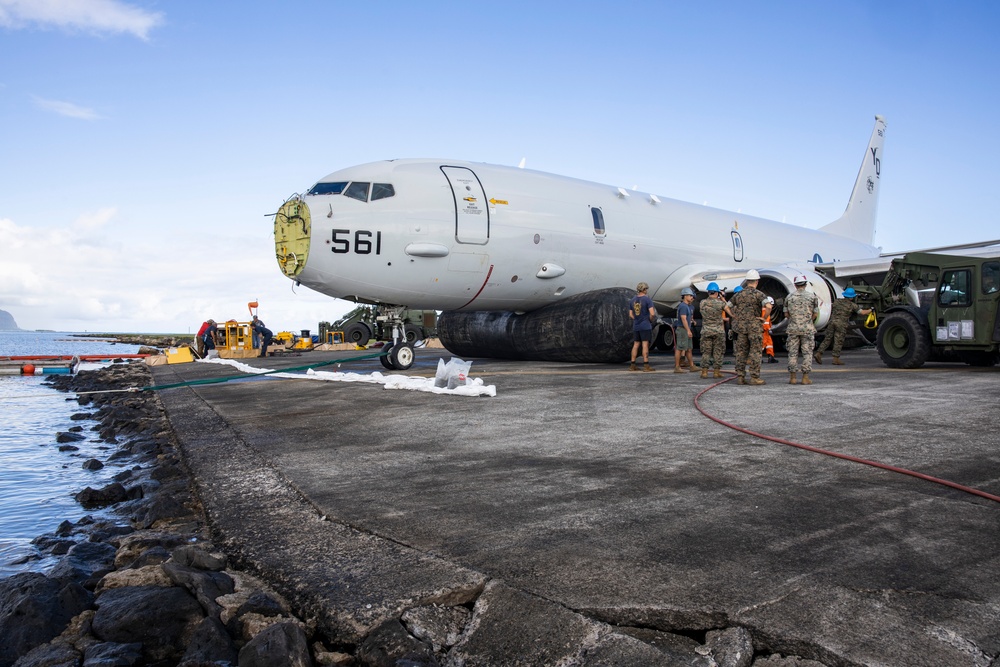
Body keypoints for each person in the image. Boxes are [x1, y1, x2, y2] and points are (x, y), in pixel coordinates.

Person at [725, 270, 768, 385]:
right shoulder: (759, 294)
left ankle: (740, 377)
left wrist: (733, 315)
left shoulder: (738, 294)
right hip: (754, 327)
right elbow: (768, 306)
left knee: (741, 352)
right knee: (755, 352)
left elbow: (726, 307)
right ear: (757, 281)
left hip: (741, 328)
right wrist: (764, 318)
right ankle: (754, 377)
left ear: (747, 281)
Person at [814, 287, 872, 365]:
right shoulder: (852, 305)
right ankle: (835, 359)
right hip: (841, 324)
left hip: (832, 322)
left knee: (827, 339)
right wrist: (871, 310)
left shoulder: (837, 301)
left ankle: (819, 353)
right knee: (838, 340)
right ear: (852, 297)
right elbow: (863, 313)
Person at [784, 276, 820, 385]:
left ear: (795, 285)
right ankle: (805, 378)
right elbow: (815, 314)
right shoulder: (812, 297)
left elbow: (786, 314)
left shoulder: (789, 297)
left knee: (792, 353)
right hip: (807, 328)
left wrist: (795, 319)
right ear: (805, 284)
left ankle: (793, 378)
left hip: (793, 329)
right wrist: (807, 320)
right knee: (807, 352)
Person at [698, 282, 727, 379]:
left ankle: (704, 372)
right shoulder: (721, 303)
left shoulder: (702, 303)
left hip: (706, 331)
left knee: (706, 352)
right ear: (717, 292)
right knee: (718, 352)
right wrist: (722, 297)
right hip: (718, 331)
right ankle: (716, 372)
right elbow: (728, 308)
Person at [629, 282, 657, 372]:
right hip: (645, 325)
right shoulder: (647, 300)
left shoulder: (632, 300)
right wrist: (650, 319)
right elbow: (652, 313)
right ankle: (646, 365)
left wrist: (637, 319)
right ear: (644, 290)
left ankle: (632, 365)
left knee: (636, 344)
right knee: (645, 345)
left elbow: (630, 314)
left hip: (636, 325)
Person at [674, 287, 696, 373]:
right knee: (680, 348)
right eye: (690, 295)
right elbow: (683, 319)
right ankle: (677, 367)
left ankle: (692, 366)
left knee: (689, 348)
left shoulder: (687, 306)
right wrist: (688, 330)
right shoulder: (683, 306)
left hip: (686, 329)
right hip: (683, 329)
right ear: (685, 296)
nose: (692, 297)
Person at [761, 296, 777, 363]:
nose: (772, 307)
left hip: (766, 331)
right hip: (764, 331)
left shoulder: (763, 310)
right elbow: (766, 322)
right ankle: (757, 357)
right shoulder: (765, 311)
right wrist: (768, 329)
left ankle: (771, 356)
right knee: (762, 344)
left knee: (769, 344)